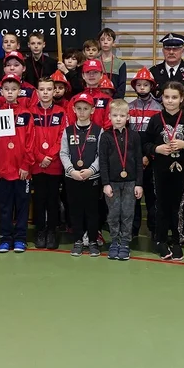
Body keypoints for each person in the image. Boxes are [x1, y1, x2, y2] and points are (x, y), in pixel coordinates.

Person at [143, 81, 184, 261]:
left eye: (174, 97)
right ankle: (161, 240)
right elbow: (145, 143)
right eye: (167, 97)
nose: (170, 101)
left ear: (181, 99)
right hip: (160, 169)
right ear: (162, 98)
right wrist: (156, 149)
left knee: (177, 206)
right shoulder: (155, 119)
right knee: (161, 205)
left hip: (181, 169)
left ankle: (177, 241)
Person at [0, 75, 35, 253]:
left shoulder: (26, 114)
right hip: (2, 170)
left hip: (22, 171)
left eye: (13, 89)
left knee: (22, 206)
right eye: (6, 89)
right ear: (1, 92)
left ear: (19, 92)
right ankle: (5, 238)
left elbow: (30, 142)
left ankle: (21, 238)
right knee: (4, 206)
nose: (10, 92)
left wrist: (26, 165)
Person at [99, 99, 143, 261]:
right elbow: (103, 162)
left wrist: (139, 184)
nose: (118, 119)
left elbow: (139, 161)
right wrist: (105, 183)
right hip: (112, 183)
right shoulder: (105, 137)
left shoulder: (134, 136)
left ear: (128, 117)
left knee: (127, 213)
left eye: (122, 116)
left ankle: (125, 242)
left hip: (130, 182)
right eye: (115, 115)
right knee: (113, 213)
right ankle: (114, 241)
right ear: (109, 117)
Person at [60, 92, 103, 255]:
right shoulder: (67, 131)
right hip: (73, 178)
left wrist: (91, 170)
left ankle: (92, 240)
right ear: (73, 110)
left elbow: (101, 154)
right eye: (79, 108)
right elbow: (63, 153)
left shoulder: (99, 131)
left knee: (92, 211)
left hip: (92, 178)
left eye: (86, 108)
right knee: (75, 210)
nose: (82, 112)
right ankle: (78, 240)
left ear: (92, 110)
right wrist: (71, 171)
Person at [31, 75, 67, 250]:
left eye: (49, 89)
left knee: (53, 200)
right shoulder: (30, 112)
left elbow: (62, 137)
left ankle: (52, 231)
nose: (45, 93)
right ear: (37, 92)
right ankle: (40, 231)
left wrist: (50, 156)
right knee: (39, 199)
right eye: (42, 89)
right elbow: (28, 139)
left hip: (54, 165)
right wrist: (39, 157)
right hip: (36, 165)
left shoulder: (61, 112)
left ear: (54, 91)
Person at [128, 67, 162, 242]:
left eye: (146, 85)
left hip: (152, 159)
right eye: (139, 84)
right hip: (133, 159)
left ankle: (154, 228)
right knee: (133, 195)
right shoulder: (129, 107)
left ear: (152, 86)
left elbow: (159, 137)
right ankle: (133, 229)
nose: (142, 87)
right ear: (135, 87)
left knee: (152, 195)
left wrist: (149, 156)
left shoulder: (158, 109)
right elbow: (126, 136)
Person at [149, 33, 184, 115]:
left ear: (182, 51)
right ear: (163, 51)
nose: (171, 52)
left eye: (175, 49)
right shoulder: (154, 72)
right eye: (167, 49)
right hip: (161, 120)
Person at [67, 58, 111, 128]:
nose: (91, 75)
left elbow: (109, 125)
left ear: (101, 75)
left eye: (95, 72)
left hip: (102, 135)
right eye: (88, 72)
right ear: (83, 75)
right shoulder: (74, 99)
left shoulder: (108, 100)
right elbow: (71, 125)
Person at [98, 28, 127, 99]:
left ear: (113, 43)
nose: (105, 42)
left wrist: (114, 102)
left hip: (114, 102)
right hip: (96, 100)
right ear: (99, 43)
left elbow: (122, 87)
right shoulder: (95, 63)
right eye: (102, 40)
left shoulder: (120, 63)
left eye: (109, 39)